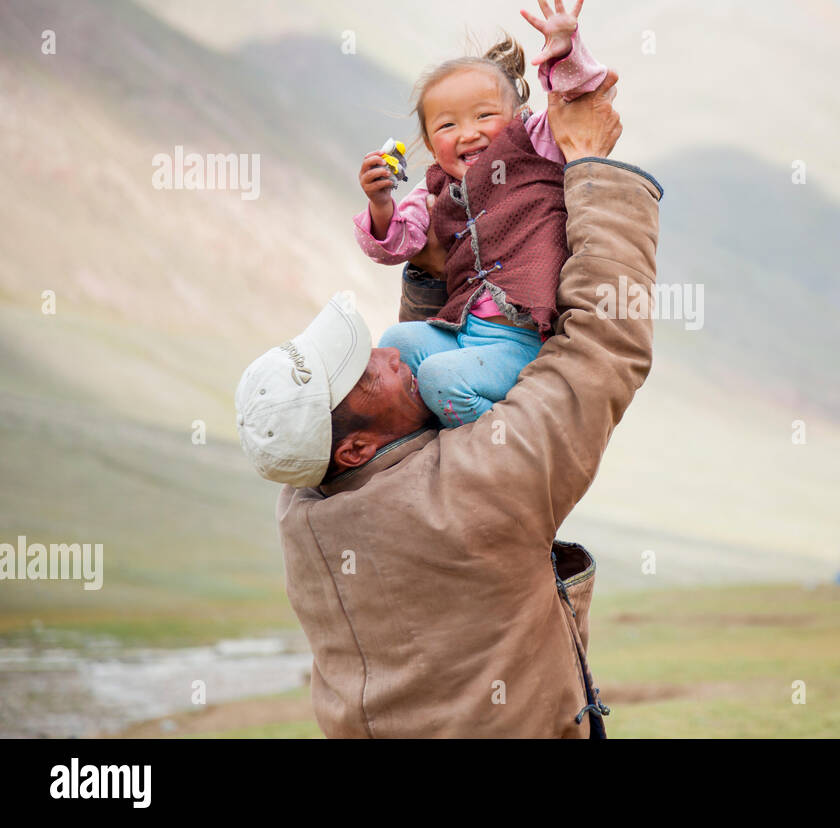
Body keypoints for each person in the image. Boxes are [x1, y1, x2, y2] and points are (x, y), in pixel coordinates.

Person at [234, 71, 662, 738]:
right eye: (366, 374)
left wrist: (444, 263)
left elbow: (407, 438)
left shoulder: (305, 507)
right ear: (350, 448)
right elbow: (602, 350)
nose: (386, 352)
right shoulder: (481, 484)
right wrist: (595, 172)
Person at [354, 0, 609, 428]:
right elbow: (394, 245)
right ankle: (430, 418)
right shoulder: (435, 192)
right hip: (462, 331)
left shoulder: (536, 148)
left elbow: (576, 93)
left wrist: (565, 51)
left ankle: (499, 438)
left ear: (518, 117)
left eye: (484, 116)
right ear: (431, 143)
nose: (468, 133)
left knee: (438, 377)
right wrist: (380, 203)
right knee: (396, 344)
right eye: (448, 124)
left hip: (522, 340)